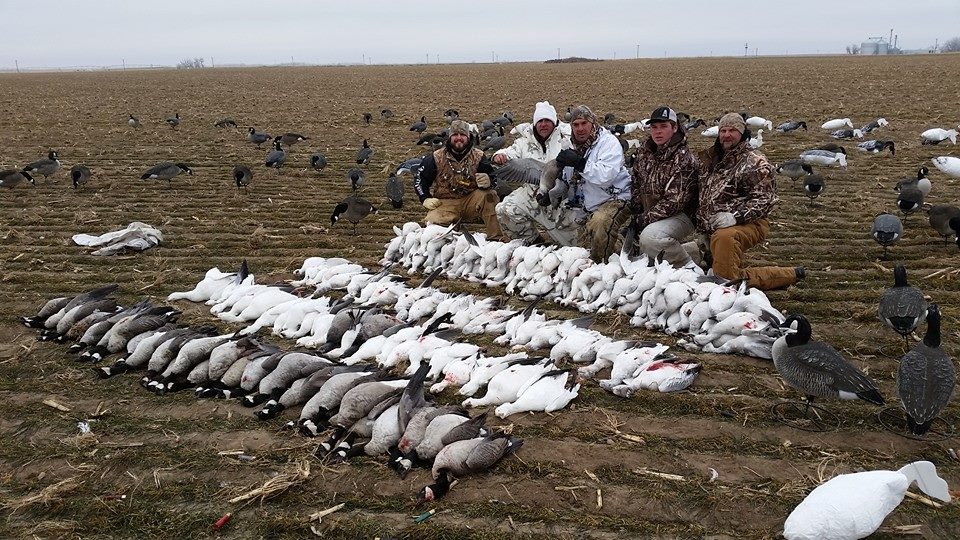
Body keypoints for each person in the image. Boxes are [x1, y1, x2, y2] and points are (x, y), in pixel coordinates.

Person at [497, 105, 631, 262]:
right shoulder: (569, 145)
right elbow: (568, 179)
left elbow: (606, 176)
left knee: (599, 224)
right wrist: (550, 194)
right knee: (581, 250)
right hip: (585, 203)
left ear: (593, 123)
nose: (580, 128)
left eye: (584, 123)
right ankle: (613, 248)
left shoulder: (608, 143)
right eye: (575, 125)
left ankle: (604, 265)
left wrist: (581, 164)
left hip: (613, 198)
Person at [696, 112, 803, 290]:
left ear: (743, 134)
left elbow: (765, 200)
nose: (726, 135)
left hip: (749, 223)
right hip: (715, 226)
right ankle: (716, 263)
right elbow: (704, 196)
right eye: (723, 130)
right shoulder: (711, 160)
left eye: (732, 130)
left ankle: (787, 274)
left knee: (725, 278)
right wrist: (702, 228)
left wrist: (735, 217)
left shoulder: (755, 162)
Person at [629, 106, 699, 267]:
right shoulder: (644, 152)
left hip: (681, 215)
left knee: (650, 239)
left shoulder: (684, 159)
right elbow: (636, 182)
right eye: (654, 127)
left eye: (663, 126)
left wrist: (643, 220)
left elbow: (675, 202)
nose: (658, 132)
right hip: (652, 211)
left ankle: (688, 266)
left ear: (674, 128)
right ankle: (694, 252)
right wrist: (636, 210)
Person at [414, 120, 504, 239]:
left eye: (462, 135)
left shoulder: (478, 156)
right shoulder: (436, 157)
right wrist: (424, 198)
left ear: (468, 137)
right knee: (433, 227)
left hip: (471, 201)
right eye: (455, 135)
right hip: (445, 203)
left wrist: (489, 181)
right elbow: (420, 179)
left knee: (490, 195)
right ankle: (448, 240)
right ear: (450, 137)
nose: (459, 138)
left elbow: (494, 176)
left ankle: (497, 239)